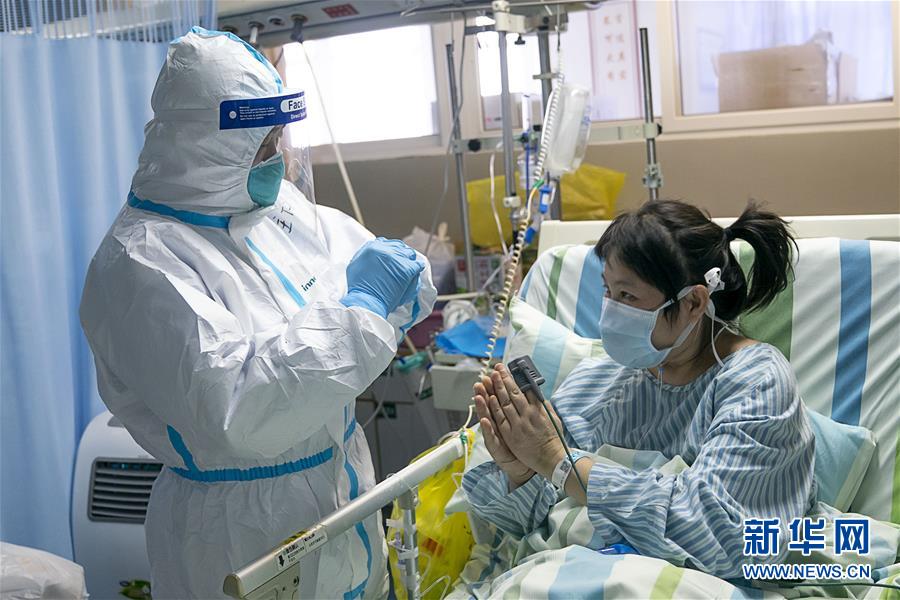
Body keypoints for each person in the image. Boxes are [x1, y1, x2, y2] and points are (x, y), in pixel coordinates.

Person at [80, 27, 436, 599]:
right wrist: (362, 314)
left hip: (343, 493)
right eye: (263, 143)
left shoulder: (271, 207)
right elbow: (244, 411)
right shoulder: (140, 262)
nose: (278, 157)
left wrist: (369, 307)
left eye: (278, 139)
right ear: (207, 145)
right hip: (238, 529)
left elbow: (402, 286)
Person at [463, 200, 814, 577]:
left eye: (627, 296)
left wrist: (559, 463)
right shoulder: (601, 379)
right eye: (608, 291)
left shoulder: (756, 381)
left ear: (694, 301)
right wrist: (522, 470)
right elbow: (529, 525)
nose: (610, 311)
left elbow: (723, 536)